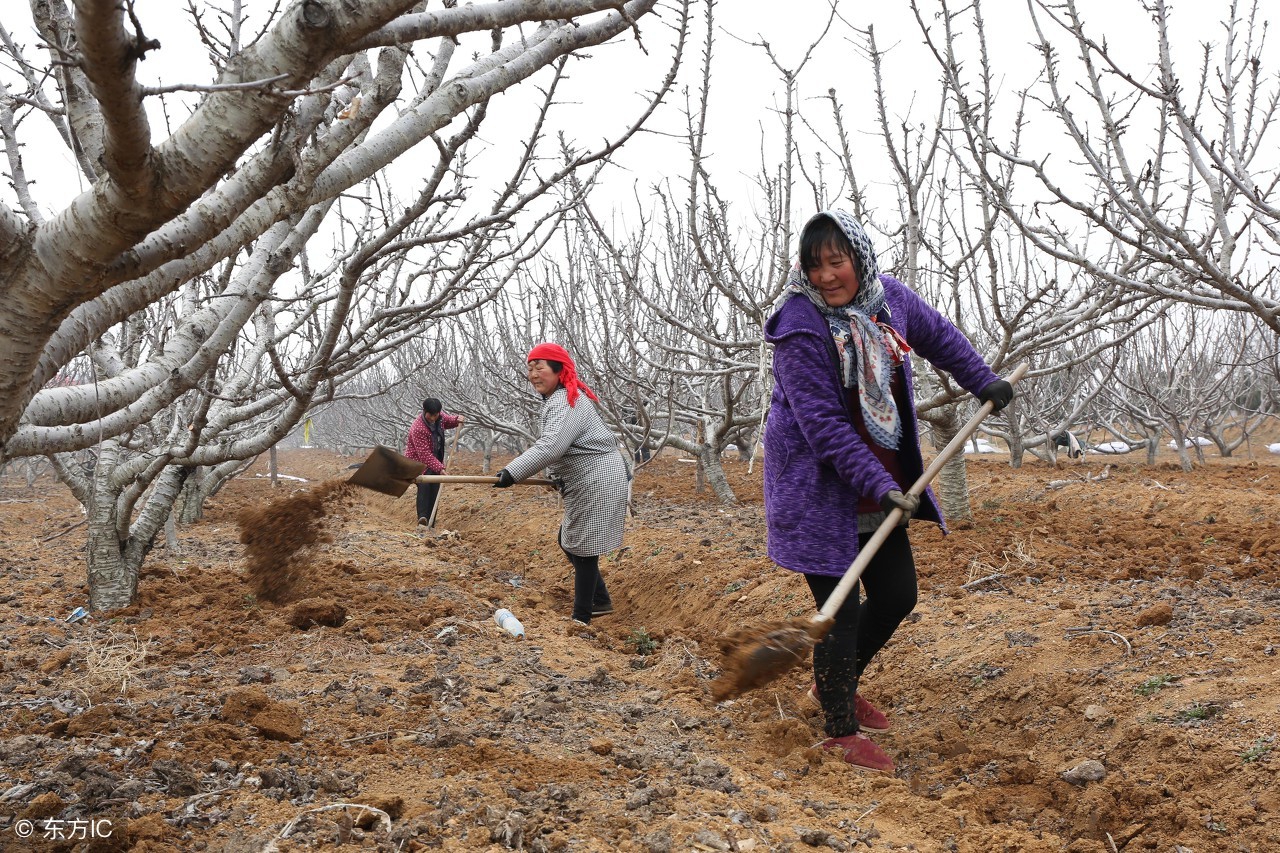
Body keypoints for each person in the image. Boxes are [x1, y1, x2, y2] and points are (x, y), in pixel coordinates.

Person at [763, 210, 1013, 773]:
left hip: (880, 478)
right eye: (814, 265)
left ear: (859, 258)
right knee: (840, 609)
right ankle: (838, 730)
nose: (826, 276)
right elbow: (823, 426)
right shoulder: (800, 326)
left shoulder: (888, 300)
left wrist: (983, 381)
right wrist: (881, 484)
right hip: (819, 487)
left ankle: (832, 686)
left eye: (837, 261)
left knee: (897, 595)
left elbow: (939, 336)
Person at [494, 343, 629, 626]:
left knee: (582, 547)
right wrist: (554, 476)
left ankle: (581, 618)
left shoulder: (567, 400)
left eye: (539, 367)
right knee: (569, 541)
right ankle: (600, 600)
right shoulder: (561, 399)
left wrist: (512, 472)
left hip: (597, 477)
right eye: (530, 368)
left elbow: (552, 446)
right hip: (590, 476)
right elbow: (566, 446)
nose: (533, 374)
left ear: (559, 370)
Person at [404, 398, 464, 526]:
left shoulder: (439, 417)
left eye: (435, 415)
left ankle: (431, 522)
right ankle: (423, 519)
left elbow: (448, 421)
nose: (433, 418)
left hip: (435, 458)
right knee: (424, 485)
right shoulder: (418, 428)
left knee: (435, 489)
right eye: (430, 415)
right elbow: (424, 454)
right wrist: (441, 468)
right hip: (418, 462)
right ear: (424, 411)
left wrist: (457, 419)